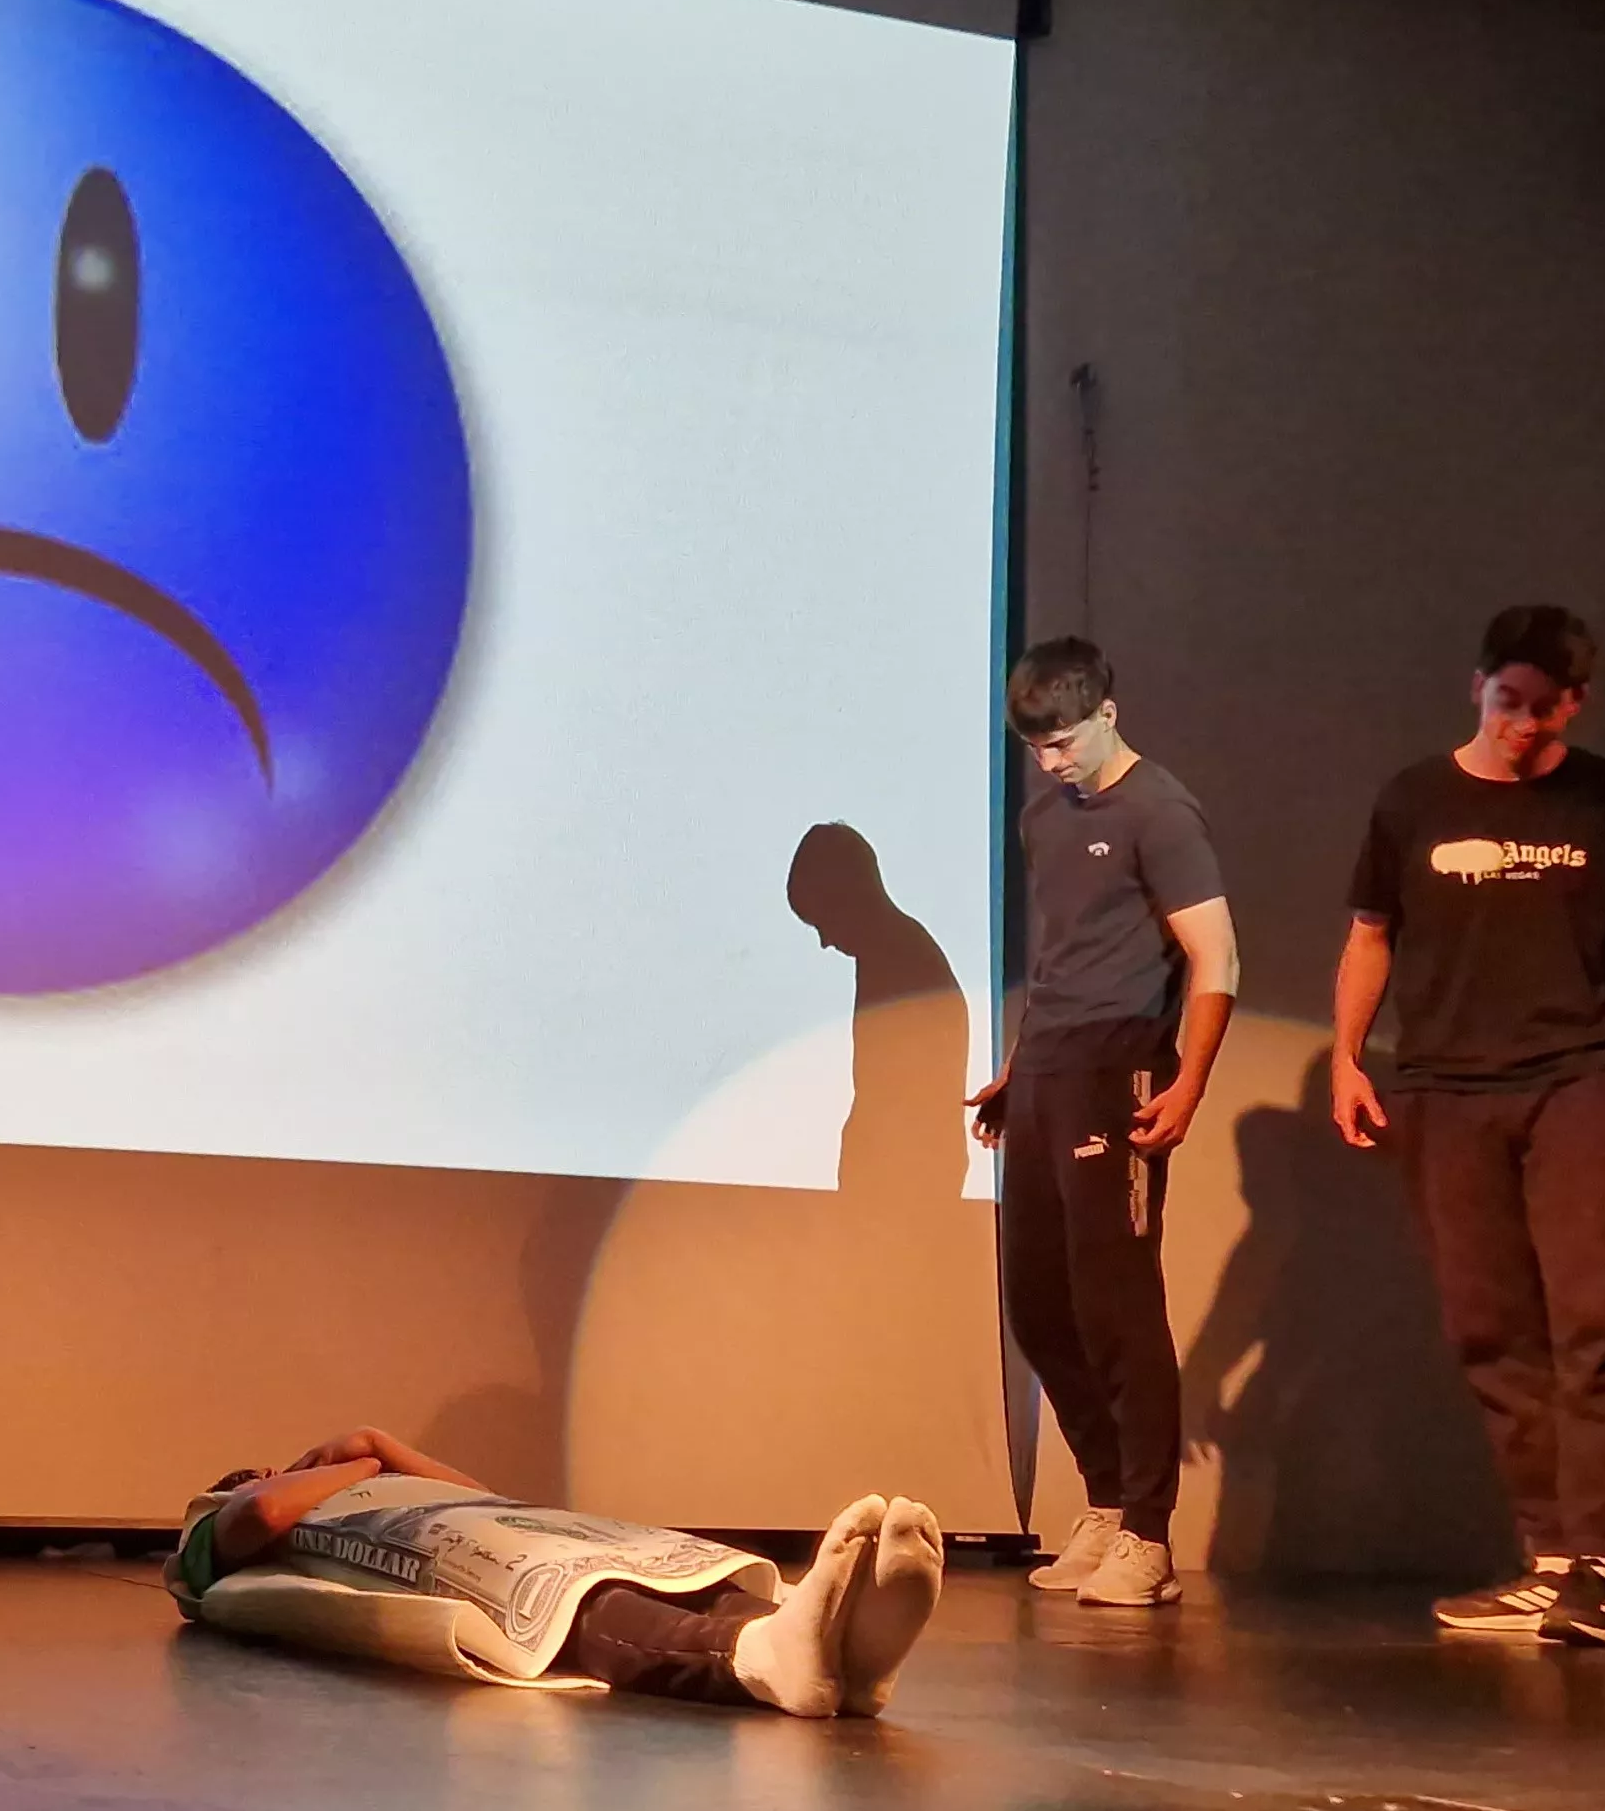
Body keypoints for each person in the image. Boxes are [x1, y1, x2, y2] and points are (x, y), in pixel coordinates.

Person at [1329, 605, 1605, 1649]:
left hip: (1582, 1074)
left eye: (1545, 709)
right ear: (1476, 687)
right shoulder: (1413, 798)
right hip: (1446, 1089)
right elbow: (1371, 935)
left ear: (1575, 702)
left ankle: (1592, 1563)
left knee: (1591, 1314)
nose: (1523, 725)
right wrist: (1346, 1055)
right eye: (1507, 702)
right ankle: (1546, 1556)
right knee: (1487, 1324)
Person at [965, 638, 1236, 1610]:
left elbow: (1215, 960)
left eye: (1065, 741)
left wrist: (1187, 1083)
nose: (1052, 761)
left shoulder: (1159, 811)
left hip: (1122, 1062)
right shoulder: (1048, 816)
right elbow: (1059, 955)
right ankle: (1107, 1500)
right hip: (1046, 1065)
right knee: (1039, 1300)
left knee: (1116, 1297)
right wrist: (1013, 1067)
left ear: (1108, 712)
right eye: (1036, 746)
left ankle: (1150, 1535)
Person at [169, 1427, 945, 1718]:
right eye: (267, 1468)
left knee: (640, 1560)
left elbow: (473, 1496)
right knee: (584, 1602)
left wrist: (374, 1442)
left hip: (496, 1528)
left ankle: (848, 1655)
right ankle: (759, 1662)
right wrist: (356, 1463)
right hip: (446, 1557)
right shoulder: (221, 1522)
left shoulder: (360, 1476)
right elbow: (262, 1518)